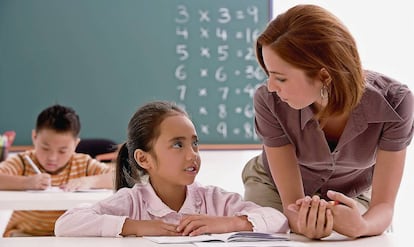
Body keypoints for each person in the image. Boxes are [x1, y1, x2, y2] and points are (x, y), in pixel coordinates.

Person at [241, 4, 414, 240]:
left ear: (324, 75)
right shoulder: (268, 100)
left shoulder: (395, 102)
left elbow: (383, 208)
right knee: (274, 234)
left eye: (280, 77)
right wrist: (302, 223)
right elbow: (292, 204)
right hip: (276, 189)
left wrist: (362, 226)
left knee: (364, 238)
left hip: (352, 194)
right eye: (268, 74)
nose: (271, 86)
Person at [54, 101, 289, 237]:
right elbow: (66, 224)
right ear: (144, 159)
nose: (192, 154)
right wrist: (139, 227)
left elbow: (277, 219)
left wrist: (228, 223)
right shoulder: (131, 202)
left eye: (194, 143)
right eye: (178, 144)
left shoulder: (214, 200)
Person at [0, 104, 114, 237]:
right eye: (45, 148)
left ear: (75, 144)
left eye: (62, 151)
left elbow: (119, 177)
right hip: (25, 234)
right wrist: (26, 182)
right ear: (34, 137)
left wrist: (90, 181)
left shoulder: (83, 163)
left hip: (68, 236)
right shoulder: (23, 162)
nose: (52, 158)